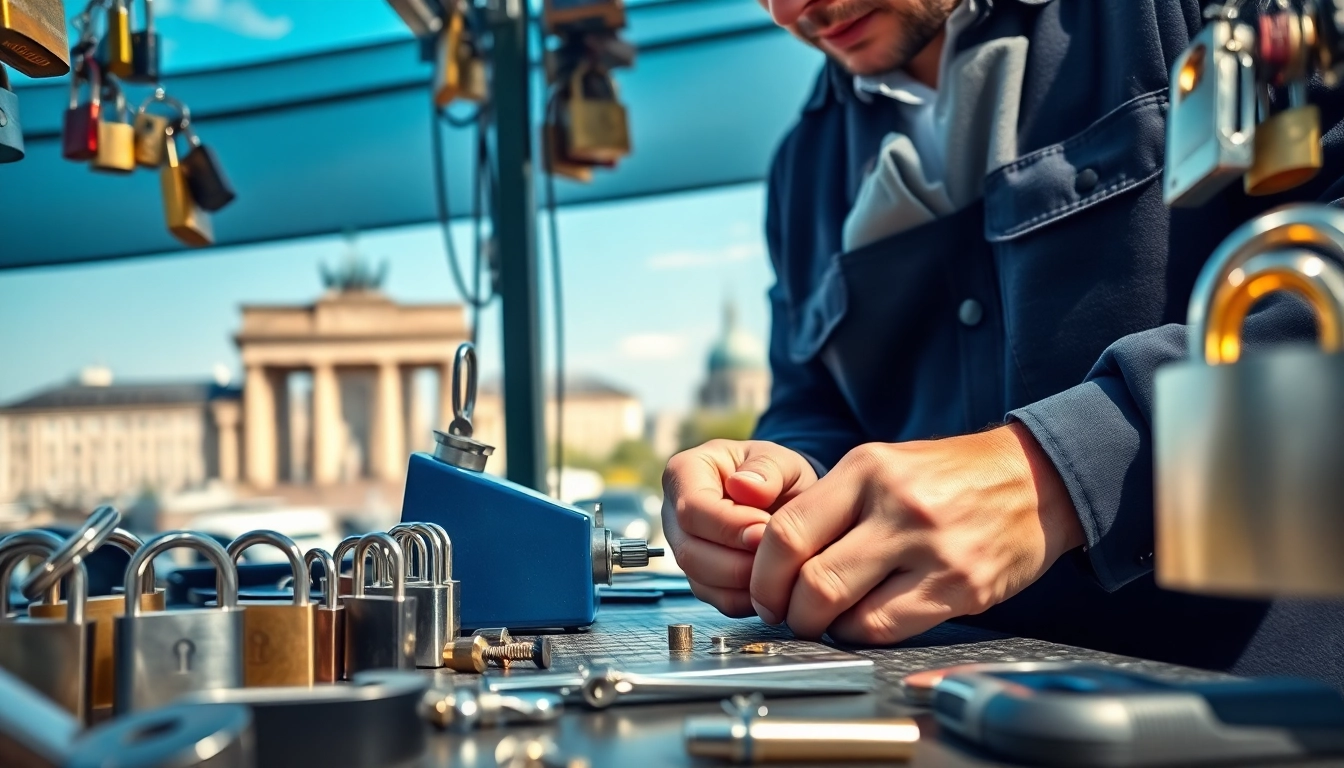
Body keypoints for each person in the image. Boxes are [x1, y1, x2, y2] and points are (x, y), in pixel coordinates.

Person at [661, 0, 1344, 687]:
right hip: (939, 714)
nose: (787, 11)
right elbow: (811, 395)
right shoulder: (802, 168)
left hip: (1248, 705)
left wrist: (1058, 476)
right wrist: (779, 484)